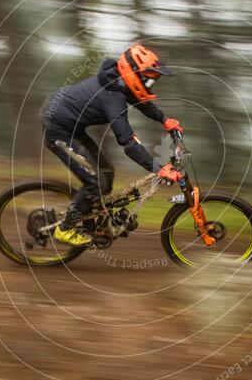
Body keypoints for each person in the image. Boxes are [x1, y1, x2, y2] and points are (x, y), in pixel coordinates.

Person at [42, 44, 184, 246]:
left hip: (71, 126)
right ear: (134, 74)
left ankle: (95, 221)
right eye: (149, 80)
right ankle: (65, 229)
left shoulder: (119, 81)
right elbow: (127, 142)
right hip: (58, 130)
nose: (150, 85)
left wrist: (165, 120)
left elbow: (141, 102)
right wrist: (158, 170)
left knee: (106, 172)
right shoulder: (113, 98)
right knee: (95, 181)